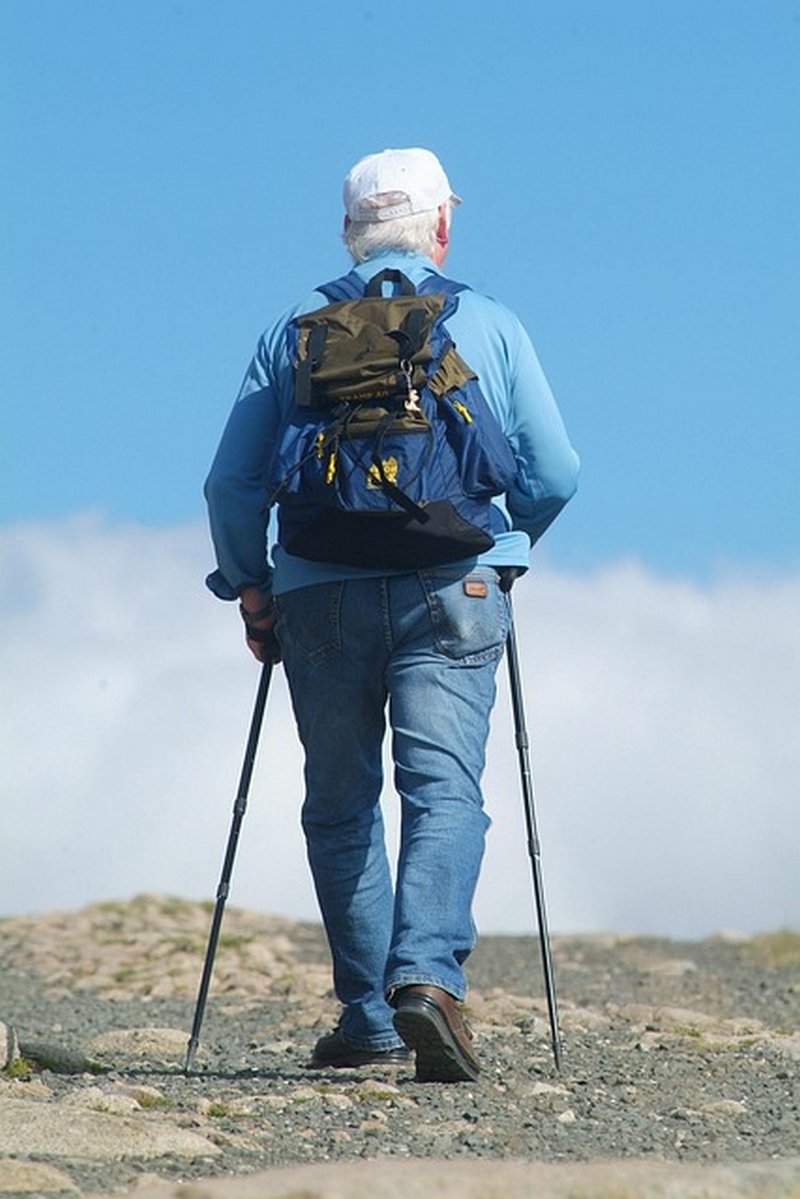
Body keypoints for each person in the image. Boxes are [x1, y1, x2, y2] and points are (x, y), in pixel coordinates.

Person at [204, 147, 579, 1083]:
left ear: (348, 230)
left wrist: (252, 585)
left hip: (317, 589)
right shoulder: (488, 322)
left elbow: (232, 483)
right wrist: (508, 545)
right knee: (443, 789)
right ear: (442, 225)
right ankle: (429, 981)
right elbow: (556, 472)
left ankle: (369, 1015)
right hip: (454, 583)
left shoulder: (293, 327)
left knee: (340, 805)